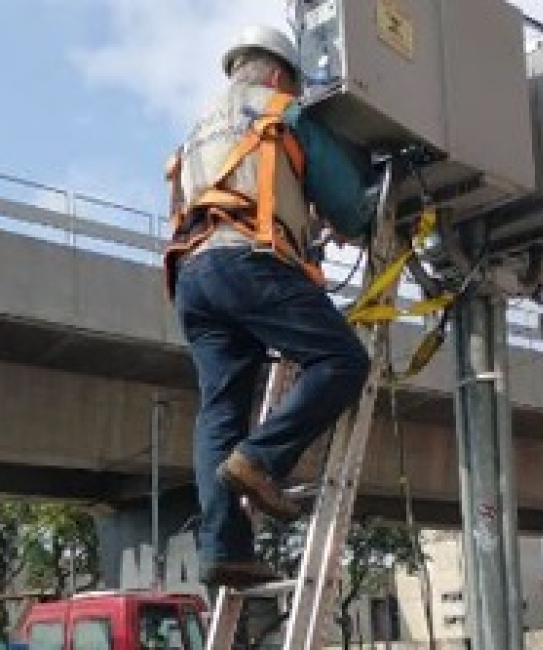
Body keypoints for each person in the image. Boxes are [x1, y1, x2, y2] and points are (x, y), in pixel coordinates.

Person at [162, 25, 376, 588]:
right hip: (248, 265)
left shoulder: (195, 133)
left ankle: (223, 549)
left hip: (192, 276)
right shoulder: (286, 111)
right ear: (281, 75)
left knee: (220, 412)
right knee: (342, 362)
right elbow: (352, 211)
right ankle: (261, 461)